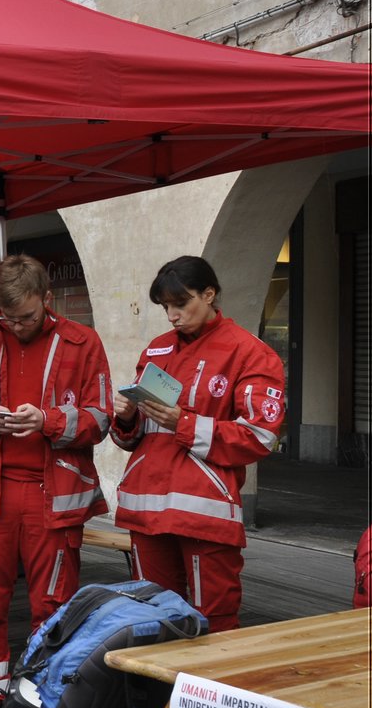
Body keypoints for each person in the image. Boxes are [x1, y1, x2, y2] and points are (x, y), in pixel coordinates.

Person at [0, 255, 112, 708]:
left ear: (48, 299)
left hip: (54, 496)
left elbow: (100, 419)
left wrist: (49, 421)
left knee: (55, 604)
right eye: (7, 317)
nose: (16, 326)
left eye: (26, 317)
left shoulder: (84, 343)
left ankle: (45, 697)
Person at [111, 256, 284, 633]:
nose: (172, 315)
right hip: (146, 505)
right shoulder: (157, 349)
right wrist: (126, 419)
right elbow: (137, 435)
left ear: (210, 295)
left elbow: (259, 436)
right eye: (165, 307)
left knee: (214, 620)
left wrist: (184, 423)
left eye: (181, 303)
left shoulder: (250, 352)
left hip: (204, 511)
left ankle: (210, 693)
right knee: (150, 617)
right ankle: (159, 694)